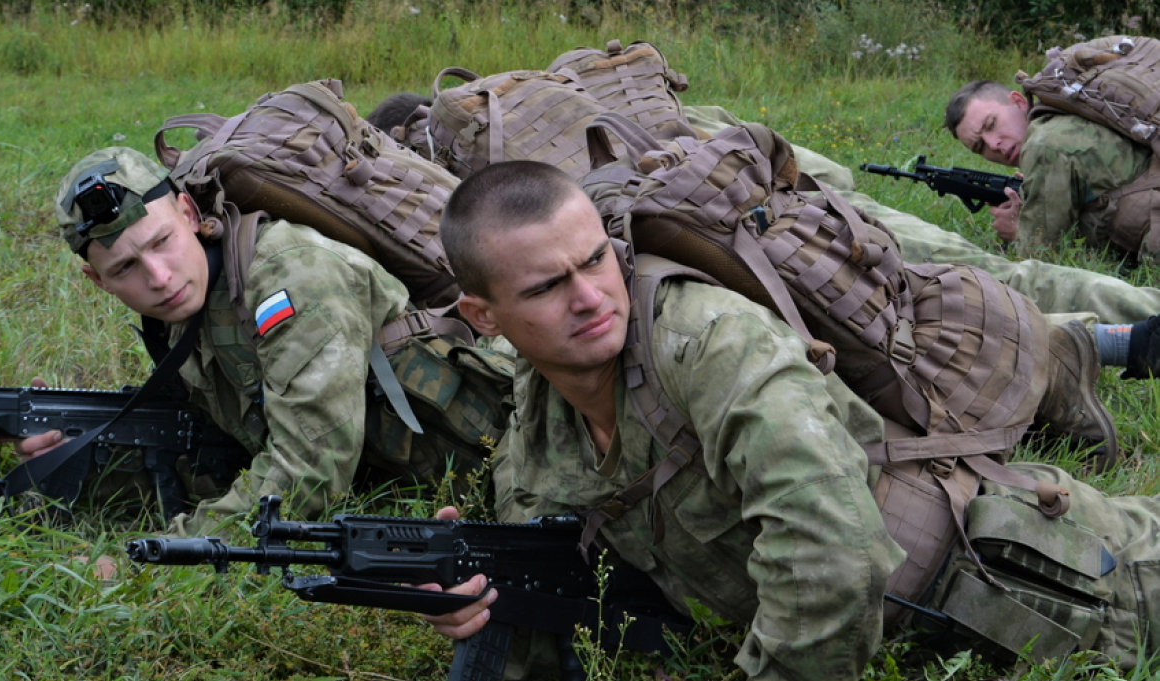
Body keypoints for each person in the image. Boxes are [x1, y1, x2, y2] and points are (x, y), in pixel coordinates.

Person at [423, 160, 1160, 680]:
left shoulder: (708, 339)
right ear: (484, 317)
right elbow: (580, 589)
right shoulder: (540, 417)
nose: (589, 297)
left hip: (1056, 593)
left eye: (595, 262)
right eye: (550, 285)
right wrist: (490, 592)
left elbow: (832, 550)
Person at [367, 91, 1160, 376]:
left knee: (972, 279)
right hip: (770, 182)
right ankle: (1128, 324)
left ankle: (1132, 323)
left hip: (769, 210)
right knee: (966, 273)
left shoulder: (485, 185)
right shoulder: (559, 110)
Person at [11, 146, 500, 536]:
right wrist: (71, 457)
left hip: (496, 469)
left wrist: (161, 556)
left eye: (162, 242)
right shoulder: (189, 308)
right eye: (125, 268)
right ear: (98, 281)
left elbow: (310, 471)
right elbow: (215, 452)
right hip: (396, 485)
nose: (158, 277)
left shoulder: (291, 274)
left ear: (188, 212)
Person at [946, 79, 1152, 258]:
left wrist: (1017, 232)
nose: (993, 144)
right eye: (980, 146)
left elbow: (1041, 257)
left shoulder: (1043, 146)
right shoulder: (1066, 115)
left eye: (991, 124)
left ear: (1018, 101)